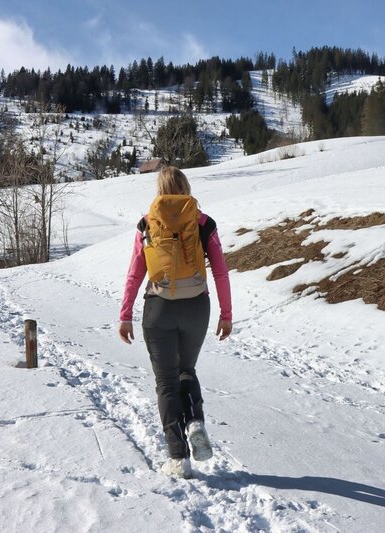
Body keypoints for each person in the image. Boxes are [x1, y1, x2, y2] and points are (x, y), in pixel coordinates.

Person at [118, 167, 233, 479]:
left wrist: (125, 314)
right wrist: (226, 314)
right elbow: (221, 271)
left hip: (159, 310)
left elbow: (135, 272)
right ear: (186, 186)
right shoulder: (203, 223)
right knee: (186, 371)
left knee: (166, 383)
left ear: (159, 188)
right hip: (197, 306)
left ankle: (177, 458)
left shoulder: (146, 223)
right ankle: (195, 420)